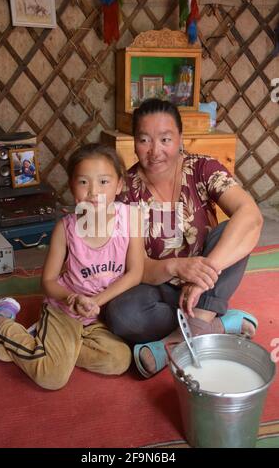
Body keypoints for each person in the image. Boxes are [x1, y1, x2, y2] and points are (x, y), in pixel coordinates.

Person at [104, 98, 263, 378]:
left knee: (234, 231)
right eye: (145, 140)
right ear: (134, 142)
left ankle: (174, 342)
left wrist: (203, 274)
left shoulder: (202, 169)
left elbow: (251, 215)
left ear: (180, 138)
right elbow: (137, 264)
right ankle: (218, 324)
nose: (155, 151)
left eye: (165, 139)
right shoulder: (126, 192)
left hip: (210, 283)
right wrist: (177, 267)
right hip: (160, 287)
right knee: (121, 314)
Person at [0, 143, 144, 389]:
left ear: (119, 185)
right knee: (52, 378)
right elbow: (48, 282)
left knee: (120, 359)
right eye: (83, 182)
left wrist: (96, 302)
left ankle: (48, 345)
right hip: (64, 309)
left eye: (103, 182)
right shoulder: (65, 229)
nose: (93, 192)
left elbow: (135, 273)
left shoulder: (131, 219)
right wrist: (73, 298)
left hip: (99, 314)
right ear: (71, 187)